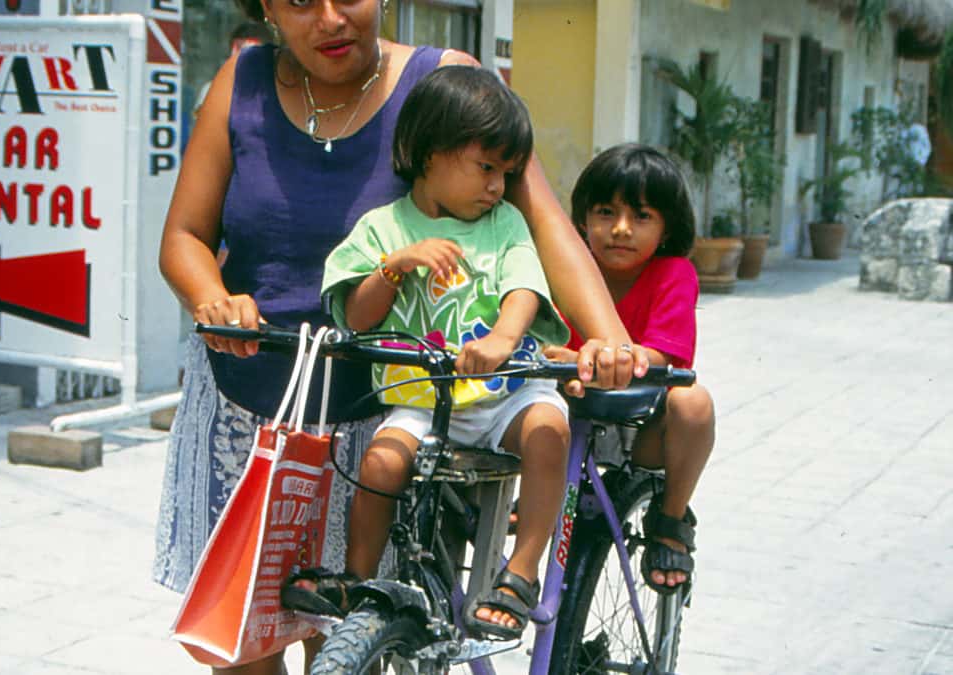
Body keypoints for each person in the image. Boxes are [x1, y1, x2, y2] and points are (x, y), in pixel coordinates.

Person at [154, 0, 648, 670]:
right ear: (265, 5)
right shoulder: (238, 83)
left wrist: (610, 339)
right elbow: (184, 235)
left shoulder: (444, 83)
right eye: (301, 1)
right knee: (241, 646)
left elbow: (543, 225)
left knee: (363, 644)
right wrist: (212, 297)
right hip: (249, 410)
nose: (331, 18)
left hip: (387, 415)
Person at [301, 65, 569, 640]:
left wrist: (501, 339)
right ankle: (358, 578)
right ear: (429, 154)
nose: (498, 186)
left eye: (508, 173)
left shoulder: (504, 224)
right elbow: (355, 316)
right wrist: (394, 267)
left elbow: (524, 287)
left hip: (505, 394)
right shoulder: (383, 227)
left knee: (549, 429)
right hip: (424, 400)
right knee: (379, 462)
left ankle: (520, 572)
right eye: (486, 168)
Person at [558, 143, 716, 594]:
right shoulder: (568, 270)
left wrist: (586, 357)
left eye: (642, 216)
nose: (621, 229)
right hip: (567, 416)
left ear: (667, 227)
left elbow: (663, 356)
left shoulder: (674, 273)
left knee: (694, 402)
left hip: (644, 422)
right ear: (583, 218)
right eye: (606, 212)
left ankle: (670, 519)